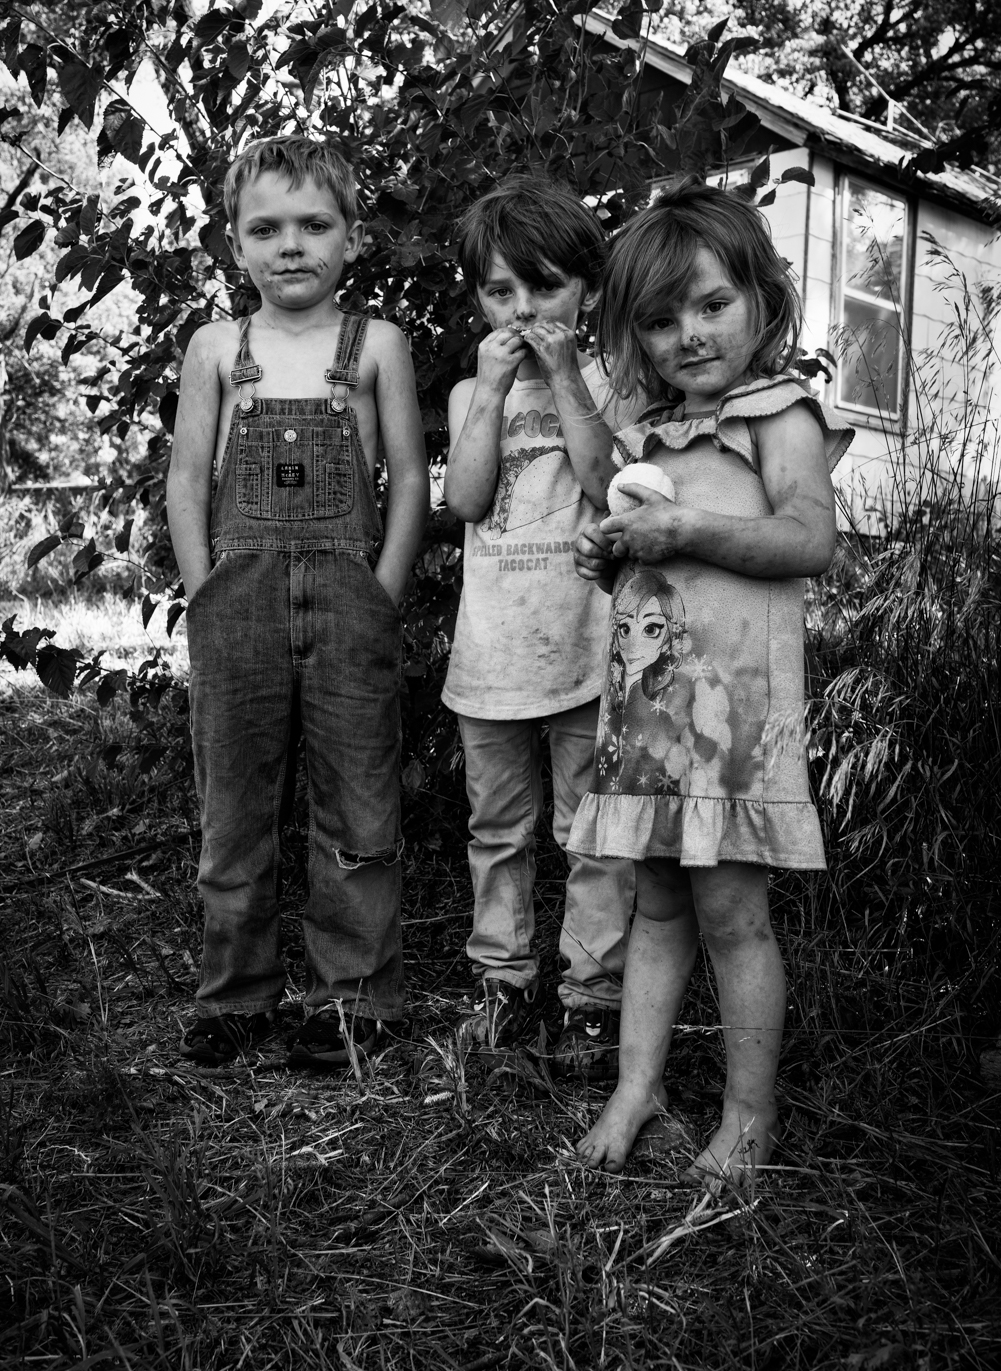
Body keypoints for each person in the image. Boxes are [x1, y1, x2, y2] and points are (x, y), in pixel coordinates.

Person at [569, 175, 853, 1179]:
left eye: (711, 304)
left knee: (732, 917)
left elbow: (805, 539)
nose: (688, 334)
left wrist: (683, 526)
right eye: (658, 321)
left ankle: (746, 1116)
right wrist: (608, 555)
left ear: (762, 302)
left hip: (731, 729)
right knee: (653, 905)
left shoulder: (780, 416)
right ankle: (635, 1089)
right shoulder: (647, 438)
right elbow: (652, 576)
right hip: (648, 716)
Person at [166, 135, 429, 1069]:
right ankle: (235, 996)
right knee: (234, 806)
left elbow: (408, 483)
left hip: (350, 595)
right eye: (265, 229)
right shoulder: (216, 348)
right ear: (234, 246)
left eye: (315, 226)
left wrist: (382, 590)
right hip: (234, 600)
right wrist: (206, 594)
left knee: (357, 803)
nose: (291, 246)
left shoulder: (377, 345)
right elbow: (188, 478)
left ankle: (350, 1000)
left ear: (353, 239)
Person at [441, 176, 644, 1077]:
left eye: (546, 286)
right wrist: (487, 394)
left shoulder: (619, 383)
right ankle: (504, 983)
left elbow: (610, 489)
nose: (523, 309)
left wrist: (565, 375)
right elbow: (469, 498)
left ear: (588, 290)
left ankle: (592, 999)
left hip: (586, 649)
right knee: (496, 831)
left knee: (592, 832)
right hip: (489, 654)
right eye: (499, 291)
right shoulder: (466, 393)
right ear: (478, 297)